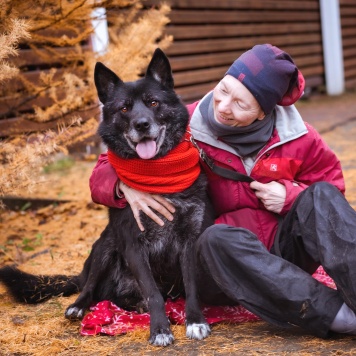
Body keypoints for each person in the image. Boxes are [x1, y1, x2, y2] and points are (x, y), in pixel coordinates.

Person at [89, 44, 356, 338]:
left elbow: (333, 199)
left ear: (264, 111)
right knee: (215, 237)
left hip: (284, 251)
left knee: (319, 195)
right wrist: (124, 187)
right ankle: (337, 317)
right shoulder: (185, 124)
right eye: (224, 89)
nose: (224, 106)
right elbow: (105, 167)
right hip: (223, 264)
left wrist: (290, 197)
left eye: (241, 104)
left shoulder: (300, 137)